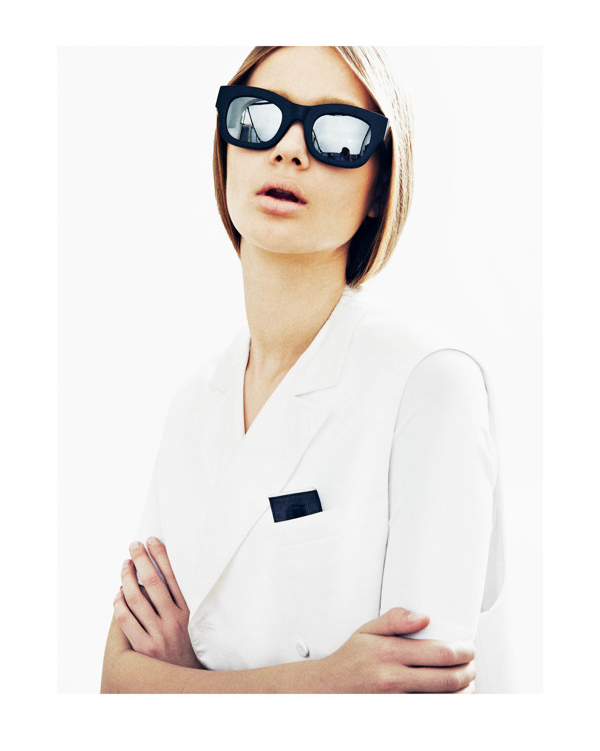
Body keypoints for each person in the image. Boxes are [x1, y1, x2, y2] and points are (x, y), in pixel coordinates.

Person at [101, 45, 508, 694]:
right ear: (226, 148)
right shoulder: (193, 404)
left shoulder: (431, 382)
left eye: (338, 133)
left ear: (380, 186)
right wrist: (327, 679)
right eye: (258, 116)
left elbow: (417, 703)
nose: (289, 149)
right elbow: (118, 682)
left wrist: (184, 683)